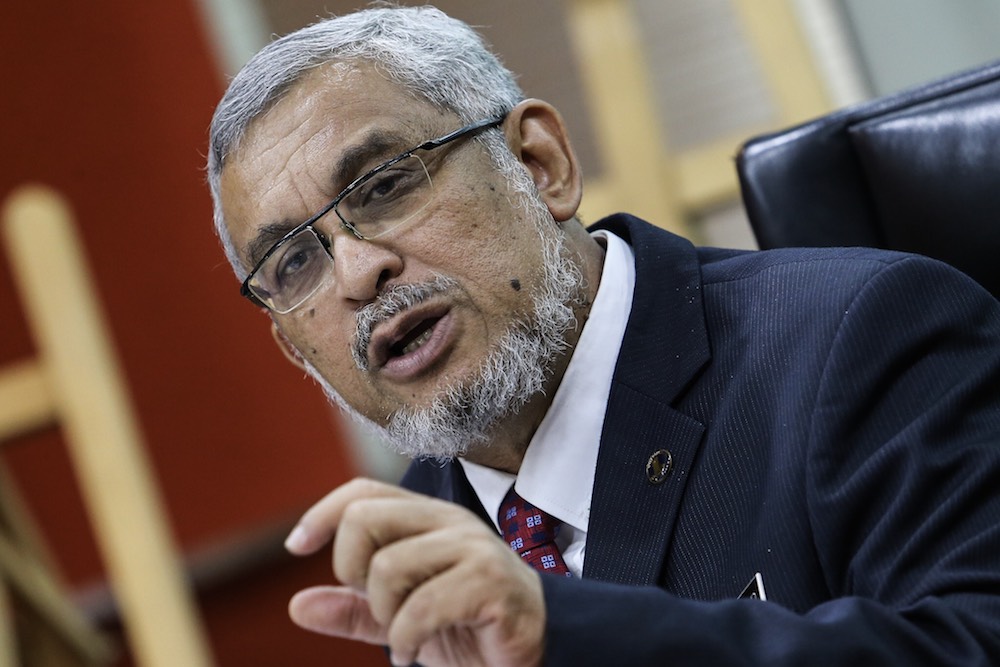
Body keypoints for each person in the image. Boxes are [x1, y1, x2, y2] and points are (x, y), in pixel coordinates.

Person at [206, 5, 1000, 666]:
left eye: (384, 185)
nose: (357, 272)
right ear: (294, 348)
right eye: (294, 261)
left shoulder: (861, 336)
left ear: (538, 163)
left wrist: (563, 627)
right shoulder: (415, 532)